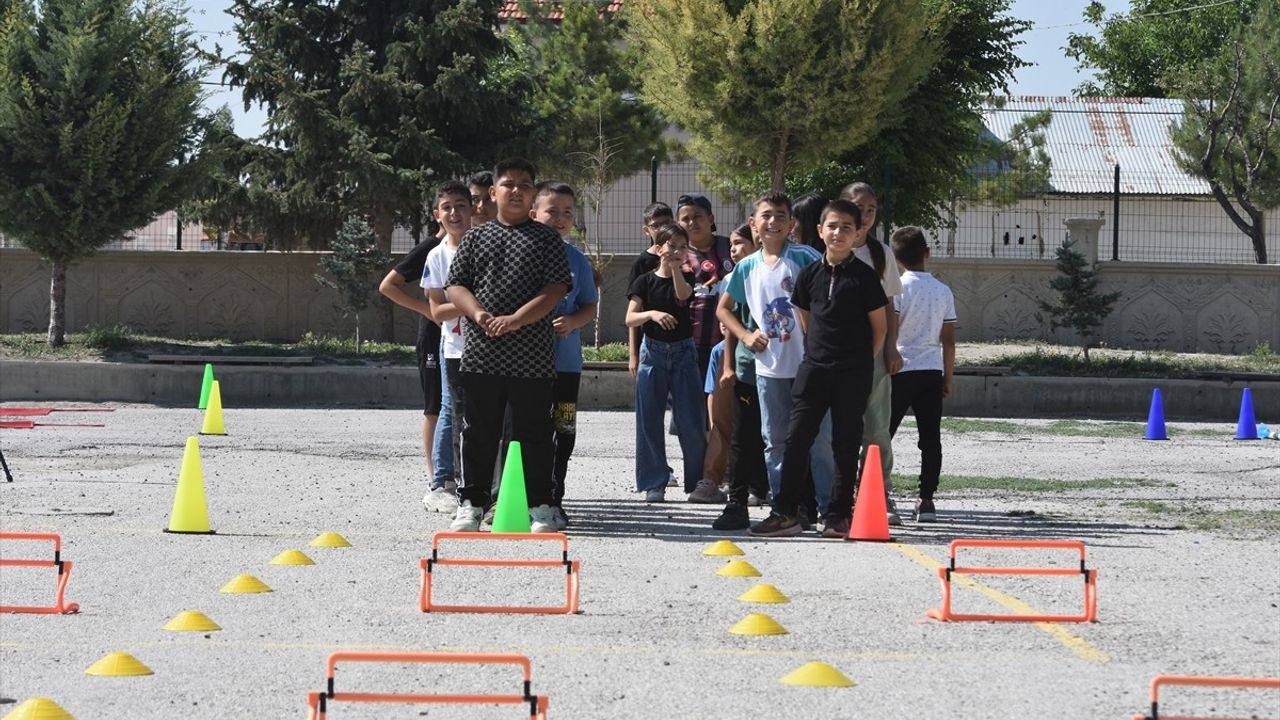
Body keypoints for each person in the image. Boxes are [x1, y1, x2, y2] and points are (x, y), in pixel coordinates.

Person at [445, 158, 572, 533]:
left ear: (532, 193)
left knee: (534, 432)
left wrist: (517, 319)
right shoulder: (476, 236)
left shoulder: (546, 238)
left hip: (532, 357)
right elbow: (456, 285)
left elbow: (555, 289)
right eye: (508, 184)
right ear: (493, 191)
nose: (516, 190)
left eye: (524, 184)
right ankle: (471, 503)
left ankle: (541, 507)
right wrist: (479, 314)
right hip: (481, 354)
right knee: (478, 430)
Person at [750, 199, 888, 537]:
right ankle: (785, 512)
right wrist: (820, 356)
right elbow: (806, 320)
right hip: (813, 369)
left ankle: (838, 514)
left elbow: (879, 328)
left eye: (846, 227)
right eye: (832, 226)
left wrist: (858, 363)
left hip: (852, 372)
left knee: (844, 442)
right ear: (819, 230)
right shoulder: (809, 274)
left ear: (858, 234)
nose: (838, 233)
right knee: (795, 439)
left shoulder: (865, 278)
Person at [717, 193, 834, 522]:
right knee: (775, 441)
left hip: (811, 367)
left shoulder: (806, 257)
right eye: (766, 215)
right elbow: (723, 309)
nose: (773, 222)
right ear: (753, 223)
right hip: (769, 369)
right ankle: (784, 508)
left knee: (821, 440)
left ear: (791, 223)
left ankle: (829, 510)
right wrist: (745, 334)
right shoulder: (746, 267)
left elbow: (828, 298)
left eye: (780, 216)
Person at [531, 181, 599, 531]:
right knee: (529, 430)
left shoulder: (577, 260)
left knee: (564, 427)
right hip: (527, 367)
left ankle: (555, 497)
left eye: (567, 212)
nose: (560, 218)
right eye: (552, 211)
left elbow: (589, 305)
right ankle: (522, 497)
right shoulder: (522, 254)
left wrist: (573, 320)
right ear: (533, 214)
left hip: (566, 367)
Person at [626, 223, 707, 503]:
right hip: (653, 353)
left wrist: (675, 270)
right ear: (659, 247)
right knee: (649, 419)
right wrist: (651, 314)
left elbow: (683, 297)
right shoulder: (644, 281)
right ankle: (654, 482)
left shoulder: (686, 276)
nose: (676, 251)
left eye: (682, 247)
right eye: (670, 245)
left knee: (692, 420)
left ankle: (697, 482)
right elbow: (630, 317)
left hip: (683, 353)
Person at [840, 181, 905, 525]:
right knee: (837, 426)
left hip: (874, 351)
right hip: (835, 350)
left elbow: (891, 305)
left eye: (871, 209)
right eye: (858, 207)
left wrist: (891, 346)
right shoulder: (831, 248)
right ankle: (836, 492)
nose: (864, 215)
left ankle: (880, 491)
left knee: (877, 426)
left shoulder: (881, 253)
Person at [888, 226, 956, 523]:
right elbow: (949, 340)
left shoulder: (898, 289)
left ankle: (874, 491)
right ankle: (926, 499)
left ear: (897, 258)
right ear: (927, 253)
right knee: (930, 438)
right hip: (931, 369)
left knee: (883, 433)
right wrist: (948, 377)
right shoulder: (943, 291)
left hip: (899, 367)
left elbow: (892, 332)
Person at [377, 206, 444, 503]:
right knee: (435, 407)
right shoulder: (431, 247)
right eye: (449, 207)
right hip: (434, 338)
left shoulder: (476, 243)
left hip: (467, 338)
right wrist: (427, 311)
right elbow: (388, 285)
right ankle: (435, 479)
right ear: (437, 213)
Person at [420, 180, 473, 513]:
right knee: (451, 411)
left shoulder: (486, 246)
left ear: (472, 209)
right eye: (447, 207)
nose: (454, 213)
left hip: (492, 346)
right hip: (454, 347)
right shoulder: (437, 256)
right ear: (437, 214)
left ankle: (481, 485)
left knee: (483, 417)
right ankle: (442, 481)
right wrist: (471, 304)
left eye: (461, 206)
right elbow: (438, 310)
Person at [713, 224, 770, 530]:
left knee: (777, 435)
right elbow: (727, 320)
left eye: (739, 244)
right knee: (744, 435)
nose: (734, 250)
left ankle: (783, 496)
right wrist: (729, 366)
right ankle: (737, 500)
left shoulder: (797, 262)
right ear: (756, 225)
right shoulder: (743, 272)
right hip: (749, 366)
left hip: (785, 368)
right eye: (731, 245)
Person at [675, 193, 733, 377]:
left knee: (725, 402)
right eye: (686, 219)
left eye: (698, 216)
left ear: (710, 218)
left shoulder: (730, 247)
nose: (692, 223)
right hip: (687, 344)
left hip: (729, 342)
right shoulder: (676, 255)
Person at [628, 202, 674, 378]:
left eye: (667, 223)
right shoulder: (641, 263)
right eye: (656, 225)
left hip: (681, 342)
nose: (662, 228)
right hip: (650, 343)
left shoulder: (682, 256)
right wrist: (633, 354)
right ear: (647, 230)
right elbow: (633, 312)